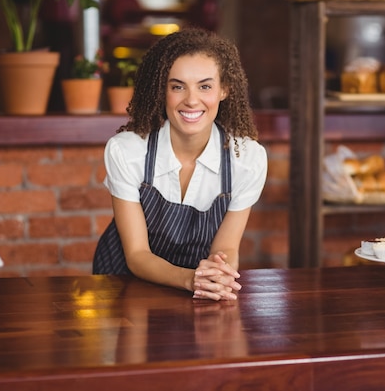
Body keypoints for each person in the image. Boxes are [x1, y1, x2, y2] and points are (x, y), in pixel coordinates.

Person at [93, 28, 268, 302]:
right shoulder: (128, 151)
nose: (191, 99)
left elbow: (226, 248)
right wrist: (191, 279)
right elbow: (137, 255)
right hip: (123, 285)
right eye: (177, 86)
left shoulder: (246, 159)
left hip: (197, 290)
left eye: (205, 86)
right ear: (162, 90)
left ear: (224, 90)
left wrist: (218, 276)